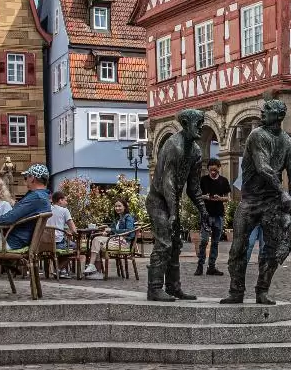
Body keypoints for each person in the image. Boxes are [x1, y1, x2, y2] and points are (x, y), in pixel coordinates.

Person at [226, 99, 291, 306]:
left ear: (278, 115)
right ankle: (236, 291)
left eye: (266, 111)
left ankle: (262, 291)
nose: (262, 114)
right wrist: (284, 194)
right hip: (250, 201)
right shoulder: (257, 135)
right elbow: (263, 167)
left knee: (271, 248)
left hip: (272, 203)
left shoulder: (289, 144)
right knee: (238, 247)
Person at [145, 111, 207, 302]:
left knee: (175, 245)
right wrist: (172, 212)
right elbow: (168, 183)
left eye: (202, 123)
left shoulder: (196, 151)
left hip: (173, 202)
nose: (200, 127)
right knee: (164, 242)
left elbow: (194, 187)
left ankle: (173, 287)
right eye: (197, 123)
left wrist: (203, 210)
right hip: (158, 201)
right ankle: (154, 288)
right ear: (186, 123)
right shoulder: (174, 145)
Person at [0, 164, 54, 251]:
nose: (25, 181)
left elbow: (10, 218)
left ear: (32, 178)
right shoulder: (42, 197)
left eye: (26, 178)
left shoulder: (36, 197)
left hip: (10, 241)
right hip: (14, 239)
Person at [84, 199, 139, 279]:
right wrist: (107, 232)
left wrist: (112, 230)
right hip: (116, 240)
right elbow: (112, 229)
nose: (117, 208)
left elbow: (129, 231)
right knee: (96, 240)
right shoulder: (118, 218)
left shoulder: (128, 217)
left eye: (119, 206)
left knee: (98, 243)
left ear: (124, 207)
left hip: (124, 243)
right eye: (116, 206)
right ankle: (94, 268)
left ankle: (95, 269)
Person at [195, 160, 230, 277]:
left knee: (215, 242)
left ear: (219, 168)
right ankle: (200, 265)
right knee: (204, 240)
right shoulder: (203, 180)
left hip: (218, 215)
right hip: (206, 215)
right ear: (208, 169)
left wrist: (220, 198)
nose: (213, 172)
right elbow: (196, 195)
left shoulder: (224, 181)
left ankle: (212, 267)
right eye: (211, 170)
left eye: (215, 170)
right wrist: (203, 196)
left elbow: (227, 198)